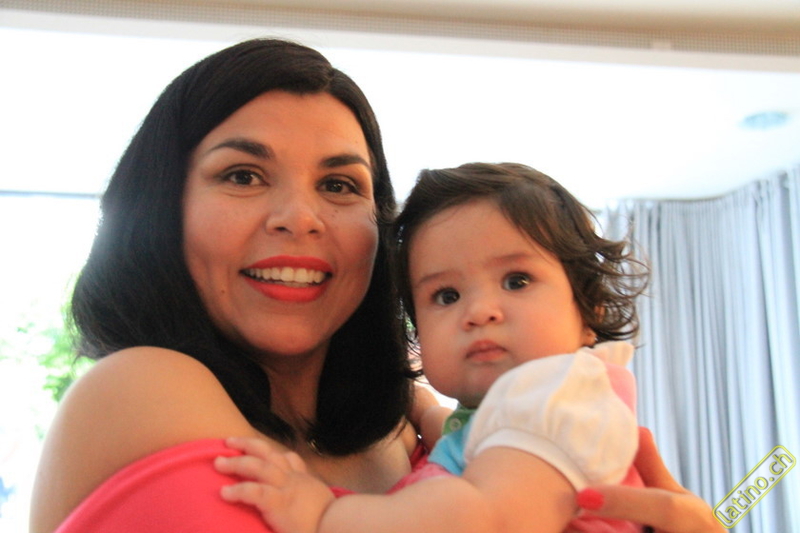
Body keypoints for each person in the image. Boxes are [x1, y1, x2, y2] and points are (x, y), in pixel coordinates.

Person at [29, 38, 723, 533]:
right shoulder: (143, 385)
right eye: (242, 175)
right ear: (161, 208)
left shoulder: (412, 430)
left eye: (339, 185)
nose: (299, 217)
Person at [214, 162, 647, 532]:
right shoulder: (515, 417)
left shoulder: (561, 400)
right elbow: (475, 448)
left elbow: (475, 518)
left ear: (588, 312)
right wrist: (425, 412)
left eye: (516, 281)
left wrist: (324, 514)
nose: (478, 311)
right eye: (446, 295)